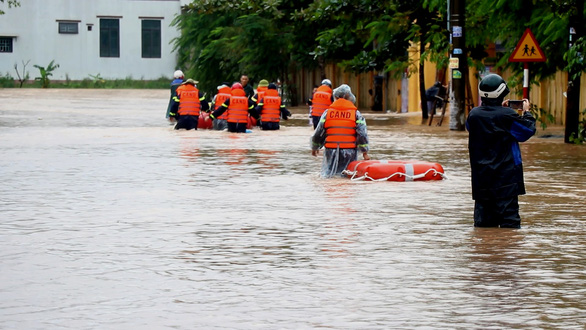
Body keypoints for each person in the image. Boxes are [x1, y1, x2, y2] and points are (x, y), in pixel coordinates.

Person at [466, 73, 536, 228]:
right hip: (506, 181)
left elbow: (473, 128)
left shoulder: (473, 115)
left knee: (483, 228)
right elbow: (526, 131)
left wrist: (499, 110)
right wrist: (527, 113)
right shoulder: (507, 116)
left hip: (481, 181)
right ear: (501, 94)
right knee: (509, 227)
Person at [310, 84, 370, 178]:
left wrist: (315, 147)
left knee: (329, 176)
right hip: (349, 151)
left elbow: (319, 132)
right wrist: (364, 152)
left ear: (336, 97)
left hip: (330, 150)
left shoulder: (327, 113)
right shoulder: (356, 114)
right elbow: (362, 134)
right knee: (347, 176)